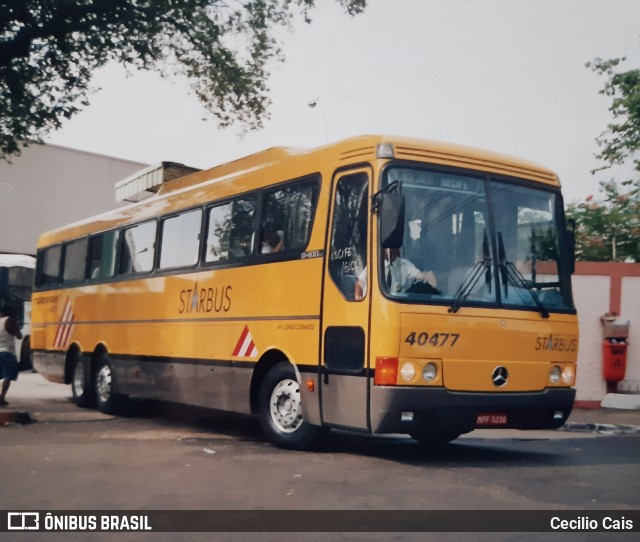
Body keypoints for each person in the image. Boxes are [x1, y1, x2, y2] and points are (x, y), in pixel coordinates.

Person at [354, 248, 437, 301]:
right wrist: (358, 296)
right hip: (374, 304)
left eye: (392, 248)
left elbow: (419, 275)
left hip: (393, 304)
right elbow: (360, 283)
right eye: (387, 249)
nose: (390, 251)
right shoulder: (374, 265)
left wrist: (427, 276)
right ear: (382, 250)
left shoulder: (405, 265)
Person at [0, 307, 23, 406]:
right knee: (8, 376)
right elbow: (19, 336)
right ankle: (2, 397)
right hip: (7, 353)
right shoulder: (9, 321)